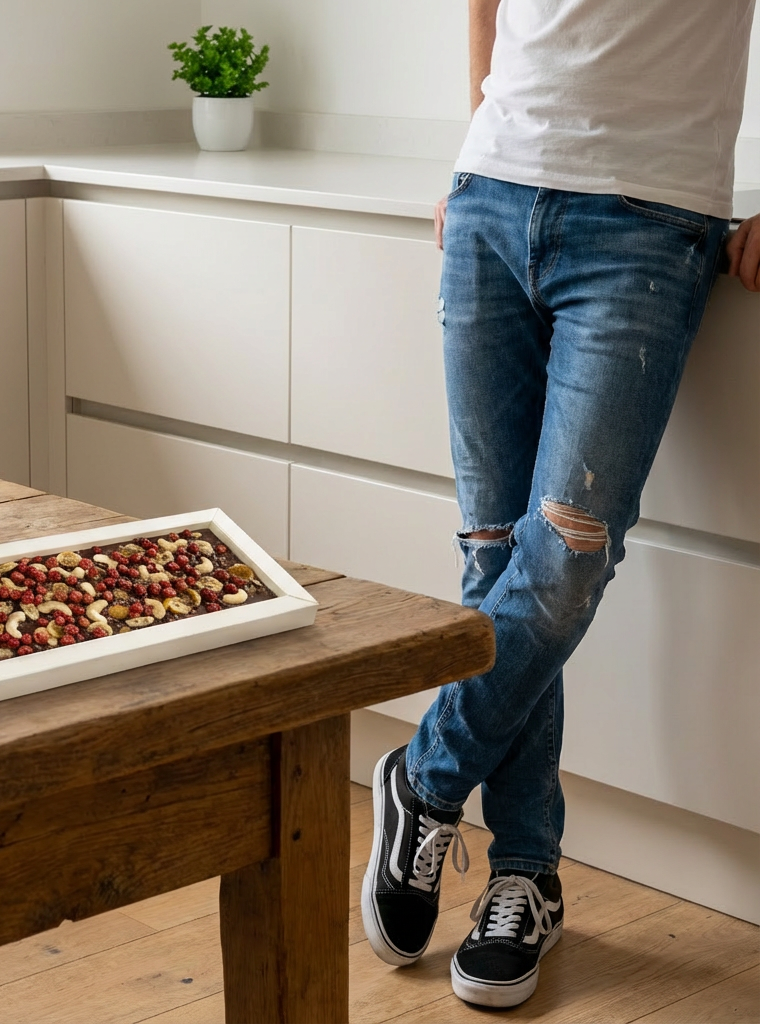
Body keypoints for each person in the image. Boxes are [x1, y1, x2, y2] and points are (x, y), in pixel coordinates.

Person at [362, 0, 759, 1009]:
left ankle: (427, 775)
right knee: (493, 560)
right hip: (492, 191)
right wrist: (470, 144)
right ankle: (525, 876)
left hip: (650, 216)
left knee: (566, 556)